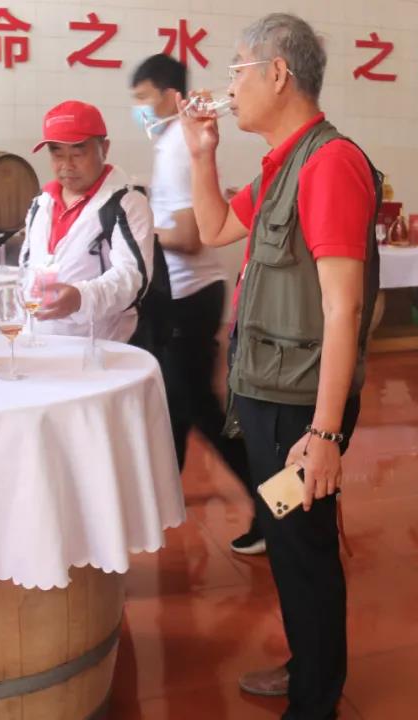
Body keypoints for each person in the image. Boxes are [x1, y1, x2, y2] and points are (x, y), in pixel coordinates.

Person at [179, 13, 380, 719]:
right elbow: (214, 229)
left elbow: (343, 308)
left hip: (301, 409)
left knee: (304, 548)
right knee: (291, 541)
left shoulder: (329, 165)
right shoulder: (281, 164)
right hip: (270, 393)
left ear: (277, 73)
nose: (229, 86)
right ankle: (306, 670)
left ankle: (315, 700)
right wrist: (201, 154)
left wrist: (323, 435)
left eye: (237, 69)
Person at [130, 55, 261, 555]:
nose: (140, 109)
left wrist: (140, 229)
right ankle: (158, 499)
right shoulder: (169, 144)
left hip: (191, 295)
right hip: (184, 295)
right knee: (174, 407)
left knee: (205, 412)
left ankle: (273, 509)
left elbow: (188, 236)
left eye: (144, 98)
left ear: (170, 96)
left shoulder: (176, 150)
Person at [22, 101, 156, 344]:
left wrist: (81, 298)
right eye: (57, 153)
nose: (67, 165)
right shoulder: (40, 204)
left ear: (104, 148)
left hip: (99, 348)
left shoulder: (125, 204)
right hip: (38, 344)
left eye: (78, 153)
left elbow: (133, 278)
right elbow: (27, 268)